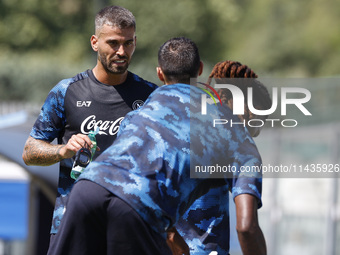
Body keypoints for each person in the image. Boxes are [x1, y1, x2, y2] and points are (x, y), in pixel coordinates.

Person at [45, 37, 266, 255]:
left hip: (87, 189)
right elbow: (246, 227)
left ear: (160, 73)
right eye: (256, 123)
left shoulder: (146, 107)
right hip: (140, 214)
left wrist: (170, 233)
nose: (254, 132)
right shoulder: (236, 137)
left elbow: (145, 175)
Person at [21, 5, 158, 249]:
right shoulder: (66, 91)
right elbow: (29, 152)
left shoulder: (150, 96)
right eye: (113, 43)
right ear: (95, 42)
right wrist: (62, 151)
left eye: (128, 43)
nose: (121, 51)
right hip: (73, 221)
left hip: (131, 224)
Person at [176, 60, 269, 254]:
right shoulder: (240, 146)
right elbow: (246, 228)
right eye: (257, 118)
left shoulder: (176, 126)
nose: (257, 131)